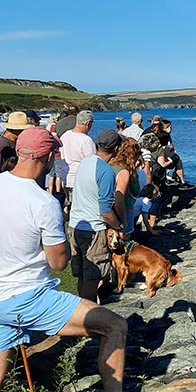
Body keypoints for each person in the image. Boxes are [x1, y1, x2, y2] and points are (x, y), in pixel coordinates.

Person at [0, 127, 132, 392]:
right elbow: (58, 262)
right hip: (29, 297)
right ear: (46, 157)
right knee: (115, 326)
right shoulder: (43, 202)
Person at [69, 129, 124, 302]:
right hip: (94, 229)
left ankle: (80, 311)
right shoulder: (106, 172)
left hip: (75, 225)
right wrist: (119, 226)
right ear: (116, 148)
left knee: (81, 276)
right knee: (93, 278)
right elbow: (105, 211)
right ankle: (89, 319)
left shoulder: (86, 162)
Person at [60, 110, 96, 209]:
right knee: (81, 208)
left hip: (66, 177)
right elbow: (92, 163)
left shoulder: (65, 136)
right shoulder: (86, 140)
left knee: (71, 206)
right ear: (88, 124)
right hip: (79, 180)